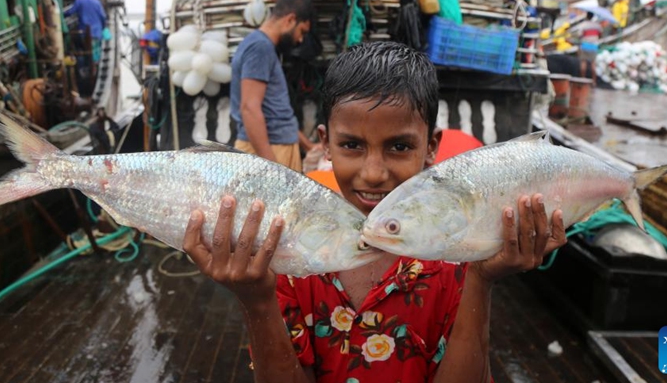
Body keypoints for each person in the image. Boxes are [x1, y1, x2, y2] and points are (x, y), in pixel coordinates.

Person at [183, 41, 567, 382]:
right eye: (351, 145)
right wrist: (256, 300)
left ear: (431, 146)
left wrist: (482, 279)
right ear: (326, 144)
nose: (373, 173)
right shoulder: (288, 253)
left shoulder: (459, 253)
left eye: (399, 147)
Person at [230, 0, 319, 172]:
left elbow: (277, 110)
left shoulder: (263, 47)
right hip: (270, 151)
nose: (300, 40)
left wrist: (308, 146)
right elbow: (249, 108)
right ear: (290, 20)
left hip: (277, 148)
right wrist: (271, 168)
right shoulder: (260, 48)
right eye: (302, 31)